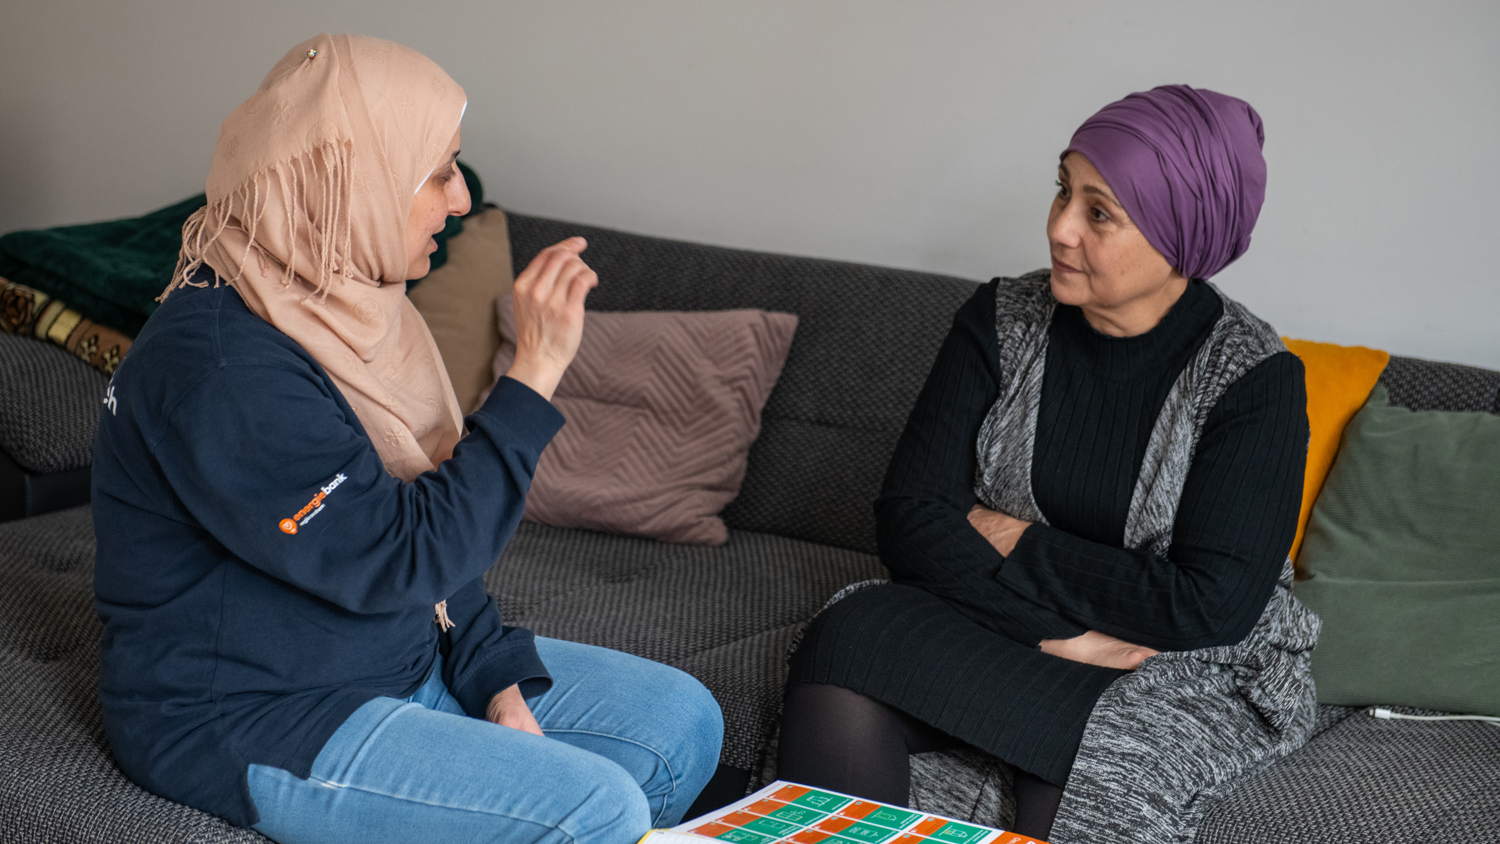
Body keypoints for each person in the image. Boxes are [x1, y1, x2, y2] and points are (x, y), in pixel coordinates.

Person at [92, 34, 722, 844]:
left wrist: (492, 677)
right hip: (252, 712)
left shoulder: (344, 303)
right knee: (597, 810)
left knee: (684, 722)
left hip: (391, 657)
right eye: (438, 173)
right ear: (350, 185)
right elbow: (403, 553)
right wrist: (529, 378)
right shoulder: (220, 367)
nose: (459, 200)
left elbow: (417, 515)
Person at [777, 85, 1319, 844]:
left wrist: (1008, 534)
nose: (1060, 229)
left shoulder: (1252, 379)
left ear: (1182, 233)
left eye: (1100, 212)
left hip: (1180, 663)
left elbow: (1208, 606)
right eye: (1063, 191)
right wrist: (1053, 633)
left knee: (1109, 755)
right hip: (1033, 629)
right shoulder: (1002, 319)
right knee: (854, 630)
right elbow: (910, 517)